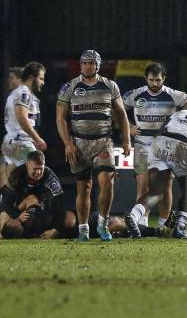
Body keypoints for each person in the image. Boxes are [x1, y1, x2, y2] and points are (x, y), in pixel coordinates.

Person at [56, 49, 131, 242]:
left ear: (98, 65)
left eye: (91, 63)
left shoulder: (109, 86)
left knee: (107, 181)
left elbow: (121, 114)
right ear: (80, 65)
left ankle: (103, 224)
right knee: (85, 188)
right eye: (84, 63)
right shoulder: (69, 87)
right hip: (79, 142)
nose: (87, 66)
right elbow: (61, 118)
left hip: (103, 141)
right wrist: (68, 144)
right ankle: (83, 229)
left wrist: (126, 140)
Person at [122, 62, 187, 227]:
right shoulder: (135, 95)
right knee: (143, 186)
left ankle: (163, 224)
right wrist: (127, 126)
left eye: (158, 80)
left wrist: (179, 125)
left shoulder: (173, 95)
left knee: (165, 187)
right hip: (142, 145)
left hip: (165, 148)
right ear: (146, 78)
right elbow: (116, 110)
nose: (154, 83)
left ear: (164, 78)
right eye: (151, 80)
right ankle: (142, 224)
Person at [124, 109, 187, 239]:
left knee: (157, 192)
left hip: (158, 143)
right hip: (182, 144)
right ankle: (180, 227)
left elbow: (164, 127)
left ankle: (134, 215)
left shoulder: (183, 112)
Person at [0, 150, 65, 239]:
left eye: (41, 169)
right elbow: (5, 204)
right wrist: (17, 215)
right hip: (21, 207)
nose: (38, 172)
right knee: (5, 219)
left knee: (29, 226)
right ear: (27, 164)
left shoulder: (50, 178)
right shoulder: (16, 175)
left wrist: (55, 230)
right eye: (35, 169)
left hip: (43, 209)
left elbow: (60, 206)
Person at [0, 62, 47, 182]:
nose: (43, 82)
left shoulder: (17, 93)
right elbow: (22, 118)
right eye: (41, 78)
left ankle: (7, 201)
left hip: (12, 141)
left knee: (13, 184)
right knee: (37, 178)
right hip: (21, 142)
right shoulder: (24, 93)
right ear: (32, 77)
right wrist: (37, 138)